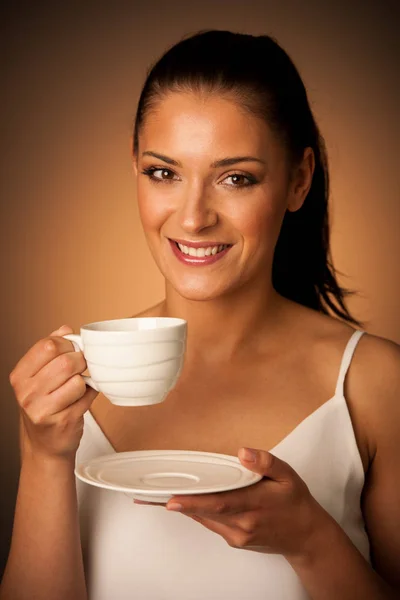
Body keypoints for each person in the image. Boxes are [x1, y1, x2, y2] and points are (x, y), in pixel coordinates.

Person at [1, 29, 399, 600]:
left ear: (298, 179)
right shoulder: (68, 393)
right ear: (134, 167)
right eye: (164, 173)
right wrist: (42, 455)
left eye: (236, 178)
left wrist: (312, 539)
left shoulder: (374, 383)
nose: (192, 218)